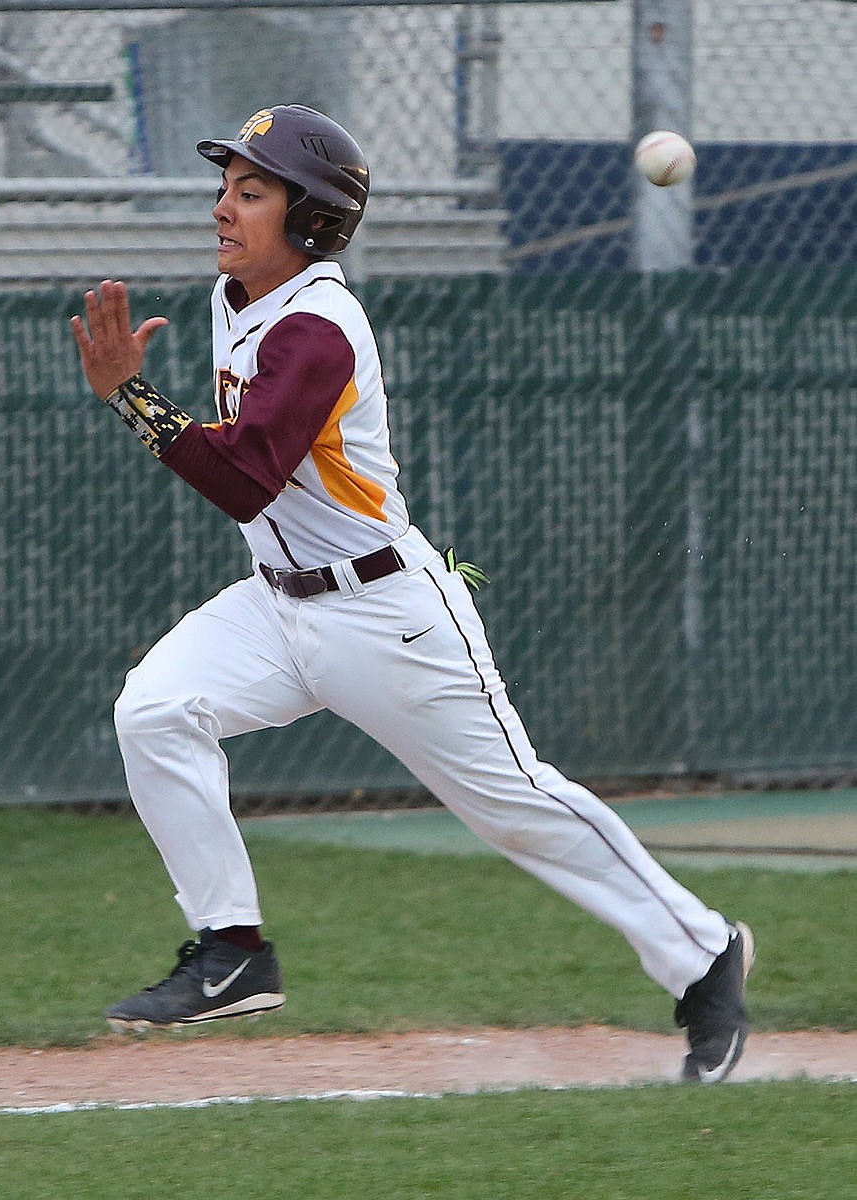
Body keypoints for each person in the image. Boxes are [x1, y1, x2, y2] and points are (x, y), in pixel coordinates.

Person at [71, 103, 754, 1082]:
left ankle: (701, 956)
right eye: (224, 185)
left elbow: (242, 476)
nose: (222, 205)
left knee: (515, 807)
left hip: (386, 617)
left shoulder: (316, 328)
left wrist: (130, 397)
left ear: (310, 220)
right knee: (155, 709)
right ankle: (230, 950)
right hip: (276, 601)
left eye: (250, 191)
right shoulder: (242, 293)